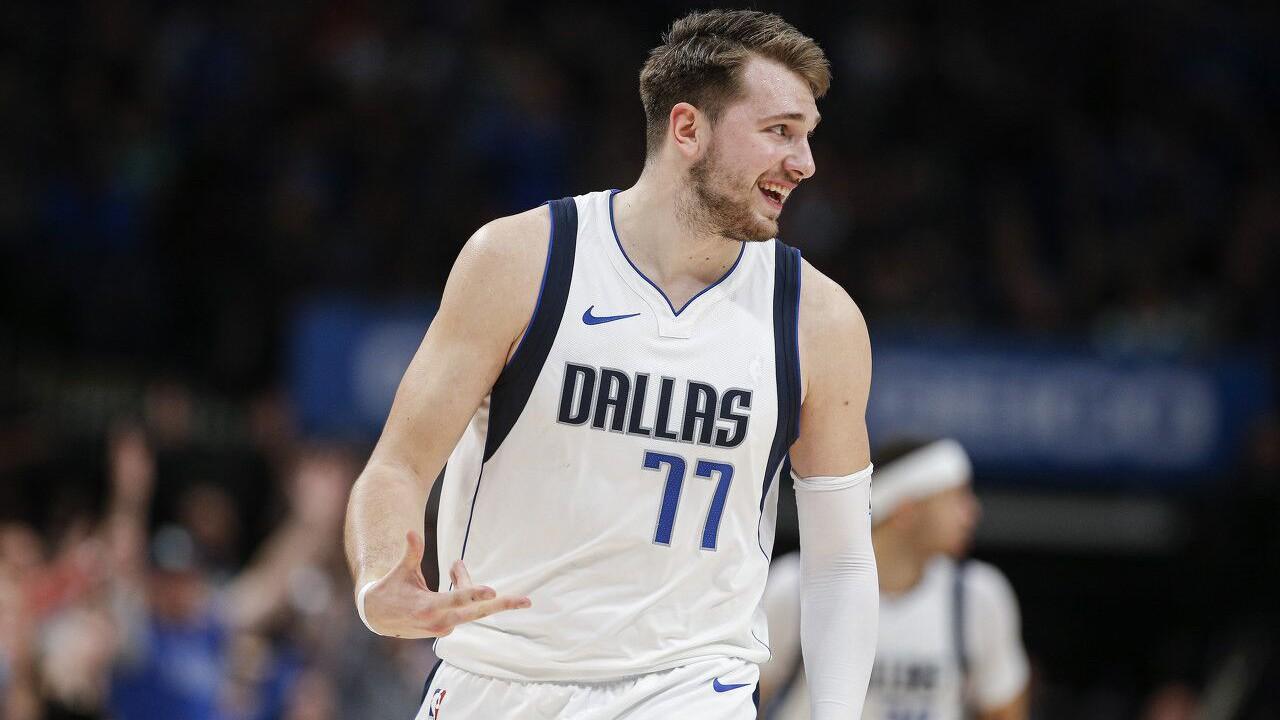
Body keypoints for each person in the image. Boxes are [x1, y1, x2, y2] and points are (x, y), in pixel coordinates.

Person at [344, 9, 878, 719]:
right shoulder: (521, 261)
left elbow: (840, 561)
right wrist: (381, 578)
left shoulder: (819, 319)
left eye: (808, 135)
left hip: (690, 688)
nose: (804, 162)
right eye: (780, 131)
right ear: (687, 129)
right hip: (494, 678)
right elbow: (397, 467)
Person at [759, 439, 1031, 720]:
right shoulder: (794, 587)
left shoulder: (978, 596)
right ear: (905, 511)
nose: (972, 513)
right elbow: (748, 697)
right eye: (957, 496)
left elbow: (1004, 711)